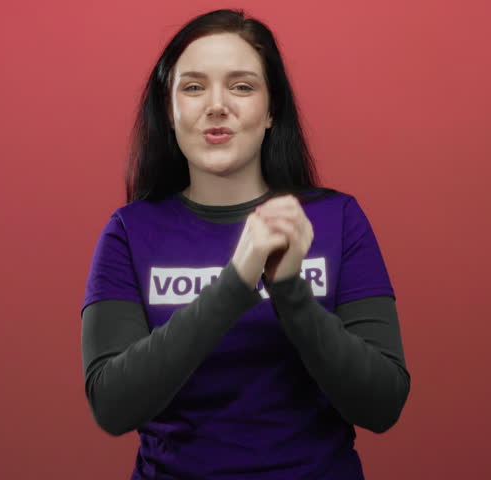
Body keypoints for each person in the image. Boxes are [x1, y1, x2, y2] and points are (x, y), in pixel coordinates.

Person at [80, 8, 410, 479]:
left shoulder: (336, 220)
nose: (217, 105)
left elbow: (382, 405)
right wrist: (236, 282)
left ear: (272, 109)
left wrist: (289, 289)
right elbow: (112, 406)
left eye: (241, 86)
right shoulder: (130, 232)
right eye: (194, 87)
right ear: (169, 111)